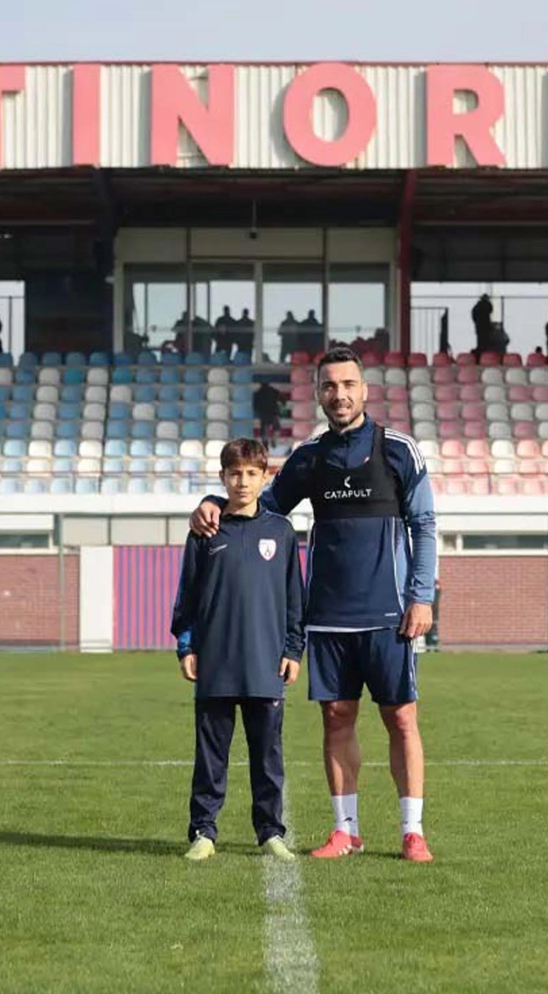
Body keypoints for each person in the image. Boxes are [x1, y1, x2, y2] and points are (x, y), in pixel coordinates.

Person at [188, 346, 438, 863]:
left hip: (390, 614)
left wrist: (421, 595)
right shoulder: (309, 457)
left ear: (364, 390)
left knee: (401, 719)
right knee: (337, 719)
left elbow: (424, 524)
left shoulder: (399, 450)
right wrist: (211, 502)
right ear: (319, 393)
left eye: (348, 385)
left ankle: (412, 831)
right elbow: (259, 505)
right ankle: (346, 830)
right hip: (326, 616)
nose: (339, 394)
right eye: (329, 386)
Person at [171, 438, 306, 862]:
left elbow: (294, 598)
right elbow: (188, 594)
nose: (242, 482)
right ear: (222, 477)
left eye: (251, 474)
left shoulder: (281, 531)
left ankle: (270, 832)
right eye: (234, 474)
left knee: (268, 755)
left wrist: (293, 650)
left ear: (265, 477)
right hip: (215, 661)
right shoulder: (205, 530)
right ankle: (203, 831)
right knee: (210, 756)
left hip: (266, 662)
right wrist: (186, 645)